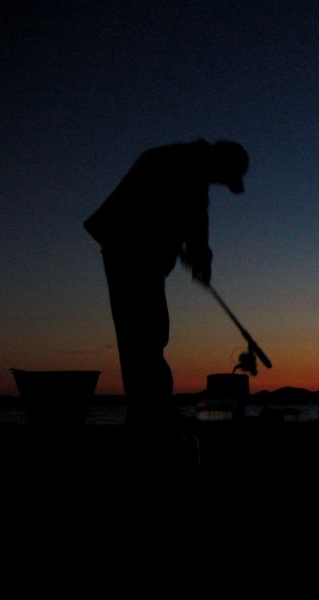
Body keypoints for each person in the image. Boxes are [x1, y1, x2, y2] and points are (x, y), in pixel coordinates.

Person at [85, 139, 248, 424]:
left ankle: (148, 408)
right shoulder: (188, 166)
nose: (219, 183)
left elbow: (170, 218)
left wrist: (189, 254)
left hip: (132, 250)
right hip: (129, 250)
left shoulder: (183, 163)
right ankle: (150, 411)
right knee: (146, 330)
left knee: (144, 332)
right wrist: (199, 257)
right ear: (220, 162)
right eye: (224, 177)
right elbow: (192, 218)